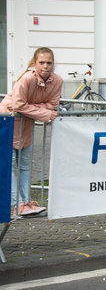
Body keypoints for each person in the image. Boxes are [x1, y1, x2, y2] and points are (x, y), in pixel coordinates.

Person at [0, 47, 63, 217]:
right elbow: (17, 105)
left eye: (49, 63)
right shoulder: (27, 79)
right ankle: (16, 204)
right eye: (41, 62)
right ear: (34, 63)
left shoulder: (57, 81)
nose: (45, 66)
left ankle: (25, 201)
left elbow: (52, 105)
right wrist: (46, 114)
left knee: (26, 163)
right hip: (8, 120)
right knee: (10, 164)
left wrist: (32, 109)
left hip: (26, 121)